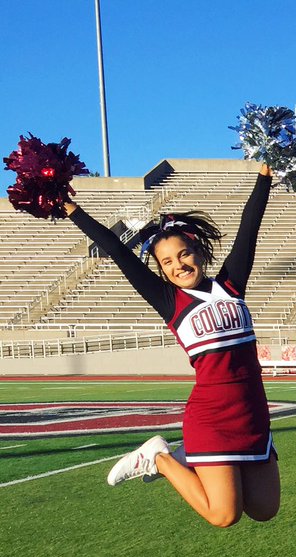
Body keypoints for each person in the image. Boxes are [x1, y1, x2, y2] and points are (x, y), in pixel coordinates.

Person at [64, 165, 280, 527]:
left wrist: (264, 177)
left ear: (197, 250)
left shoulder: (230, 285)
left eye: (183, 254)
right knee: (224, 515)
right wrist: (73, 210)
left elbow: (249, 229)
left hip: (253, 414)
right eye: (167, 262)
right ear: (161, 271)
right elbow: (118, 250)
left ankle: (183, 457)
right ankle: (159, 457)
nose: (177, 265)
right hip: (212, 417)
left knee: (264, 509)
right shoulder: (169, 301)